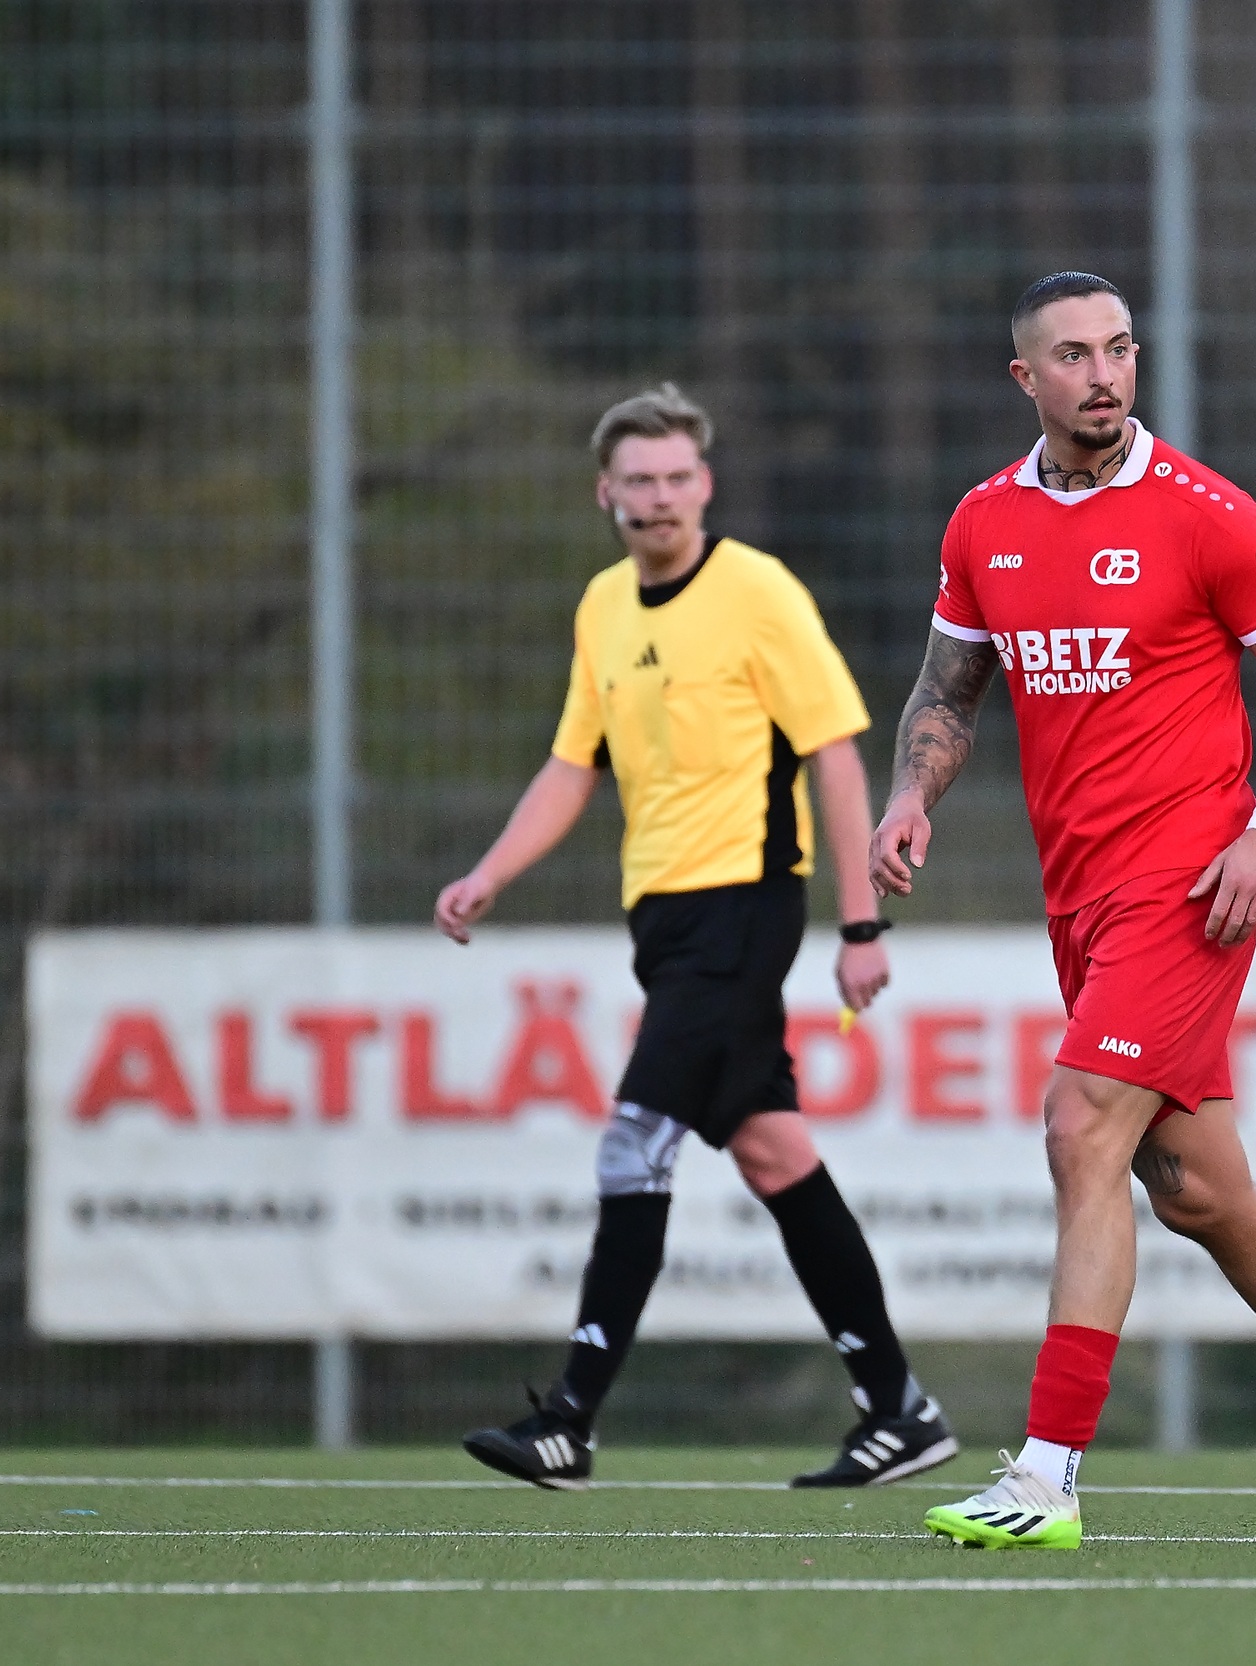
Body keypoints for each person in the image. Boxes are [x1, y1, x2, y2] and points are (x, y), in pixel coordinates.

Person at [874, 273, 1256, 1550]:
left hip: (1191, 883)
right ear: (1025, 378)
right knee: (1194, 1186)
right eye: (1074, 355)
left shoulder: (1204, 514)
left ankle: (1042, 1476)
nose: (1104, 372)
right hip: (1079, 898)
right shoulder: (983, 522)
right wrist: (908, 796)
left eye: (1120, 348)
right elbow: (949, 688)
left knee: (1080, 1125)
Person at [436, 384, 955, 1490]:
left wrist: (862, 922)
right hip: (663, 923)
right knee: (774, 1152)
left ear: (704, 485)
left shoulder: (757, 592)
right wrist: (489, 872)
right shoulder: (602, 609)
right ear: (606, 494)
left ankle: (570, 1415)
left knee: (633, 1139)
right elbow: (574, 764)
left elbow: (838, 751)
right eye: (639, 481)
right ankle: (899, 1406)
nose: (659, 498)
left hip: (744, 905)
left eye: (678, 478)